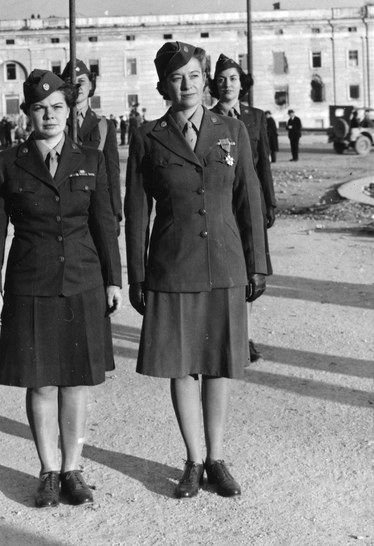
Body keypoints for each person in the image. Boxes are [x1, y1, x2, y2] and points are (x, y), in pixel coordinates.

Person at [125, 41, 267, 500]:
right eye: (176, 77)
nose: (186, 85)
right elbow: (136, 212)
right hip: (172, 266)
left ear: (205, 79)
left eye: (193, 75)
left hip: (225, 263)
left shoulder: (232, 130)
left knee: (220, 364)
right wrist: (138, 275)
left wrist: (257, 263)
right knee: (182, 367)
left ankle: (217, 458)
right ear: (163, 84)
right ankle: (192, 459)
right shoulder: (147, 137)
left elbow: (249, 199)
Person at [0, 69, 122, 508]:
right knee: (41, 384)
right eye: (39, 108)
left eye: (57, 107)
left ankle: (73, 469)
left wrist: (114, 280)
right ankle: (47, 470)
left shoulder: (90, 159)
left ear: (69, 110)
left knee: (77, 381)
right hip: (31, 284)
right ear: (26, 113)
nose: (49, 115)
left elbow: (103, 224)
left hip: (82, 281)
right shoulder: (7, 163)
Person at [209, 54, 277, 363]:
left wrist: (270, 203)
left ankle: (243, 334)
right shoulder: (207, 119)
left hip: (250, 204)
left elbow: (263, 164)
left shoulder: (256, 117)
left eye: (233, 78)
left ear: (242, 83)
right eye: (221, 79)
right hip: (223, 205)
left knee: (252, 268)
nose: (227, 85)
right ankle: (228, 334)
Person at [60, 60, 122, 229]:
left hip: (97, 209)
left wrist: (115, 211)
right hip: (64, 212)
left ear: (90, 86)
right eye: (70, 82)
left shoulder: (104, 125)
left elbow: (112, 172)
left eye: (81, 81)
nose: (77, 87)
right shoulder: (56, 124)